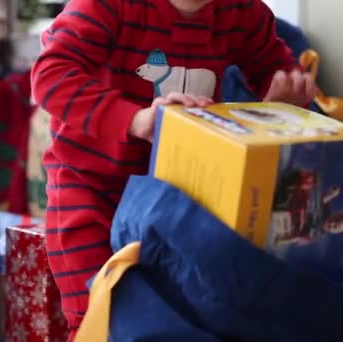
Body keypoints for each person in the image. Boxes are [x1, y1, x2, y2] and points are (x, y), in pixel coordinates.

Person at [30, 0, 316, 338]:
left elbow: (275, 65)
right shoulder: (105, 6)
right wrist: (135, 119)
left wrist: (286, 94)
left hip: (177, 193)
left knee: (183, 307)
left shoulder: (240, 11)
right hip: (91, 188)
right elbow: (50, 75)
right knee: (101, 313)